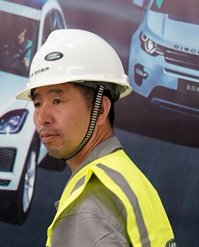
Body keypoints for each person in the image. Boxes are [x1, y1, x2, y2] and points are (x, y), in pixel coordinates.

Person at [16, 29, 176, 247]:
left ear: (100, 110)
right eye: (37, 103)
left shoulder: (86, 209)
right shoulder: (126, 176)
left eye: (57, 101)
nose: (42, 117)